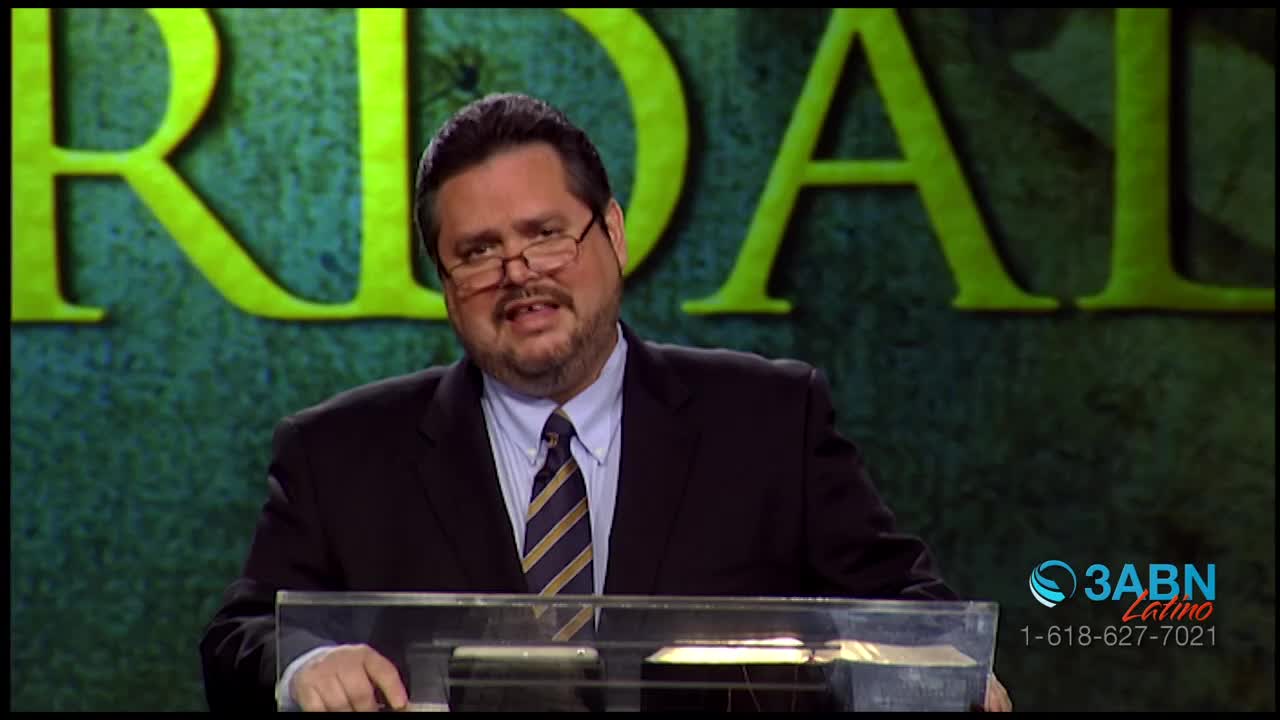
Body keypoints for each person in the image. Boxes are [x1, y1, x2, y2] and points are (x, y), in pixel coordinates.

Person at [198, 92, 1011, 713]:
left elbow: (910, 613)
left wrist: (948, 673)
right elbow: (238, 639)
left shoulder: (769, 421)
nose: (519, 274)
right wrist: (307, 664)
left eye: (546, 234)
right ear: (445, 285)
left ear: (613, 233)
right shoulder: (339, 454)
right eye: (477, 252)